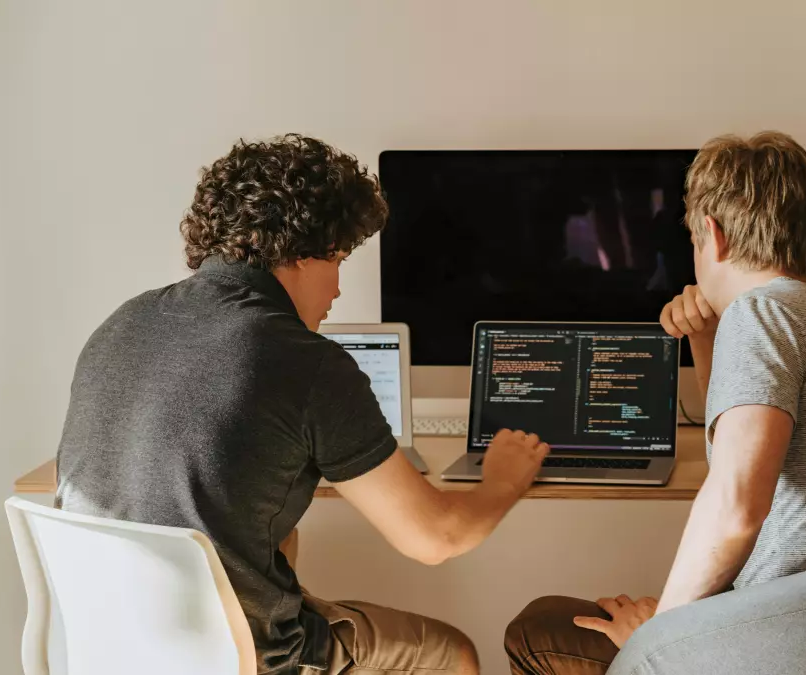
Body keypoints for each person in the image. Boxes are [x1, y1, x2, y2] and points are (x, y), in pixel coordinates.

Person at [55, 134, 550, 675]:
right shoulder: (301, 359)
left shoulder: (122, 322)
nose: (337, 289)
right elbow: (436, 538)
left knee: (288, 544)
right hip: (236, 658)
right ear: (301, 254)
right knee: (449, 653)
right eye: (337, 259)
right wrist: (505, 479)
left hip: (104, 647)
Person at [505, 131, 806, 675]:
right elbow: (746, 437)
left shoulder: (761, 316)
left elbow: (735, 508)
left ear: (713, 236)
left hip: (787, 641)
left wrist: (662, 635)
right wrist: (707, 336)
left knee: (536, 629)